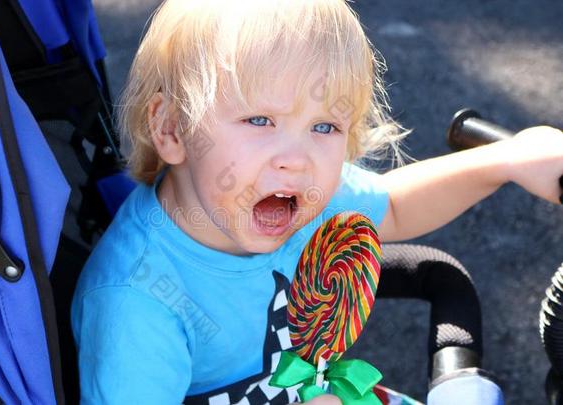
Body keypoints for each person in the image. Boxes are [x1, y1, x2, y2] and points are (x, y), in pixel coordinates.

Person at [70, 0, 563, 403]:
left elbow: (393, 205)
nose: (297, 159)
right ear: (172, 128)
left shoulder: (284, 192)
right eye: (259, 120)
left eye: (324, 126)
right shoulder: (137, 303)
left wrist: (508, 161)